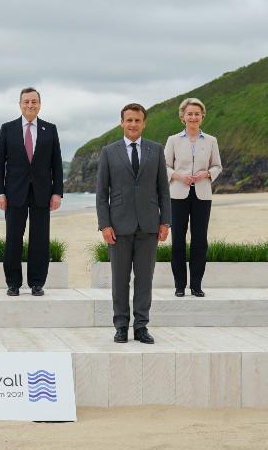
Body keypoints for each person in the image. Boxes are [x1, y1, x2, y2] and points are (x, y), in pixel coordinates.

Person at [95, 103, 171, 344]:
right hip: (118, 225)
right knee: (119, 279)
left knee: (145, 279)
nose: (133, 124)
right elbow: (101, 193)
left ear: (144, 123)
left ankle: (141, 326)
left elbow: (163, 190)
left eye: (137, 120)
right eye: (129, 120)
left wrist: (165, 221)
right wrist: (104, 224)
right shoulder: (109, 152)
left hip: (149, 224)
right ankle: (120, 326)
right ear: (122, 123)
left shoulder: (156, 150)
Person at [0, 87, 64, 297]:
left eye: (34, 101)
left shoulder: (50, 129)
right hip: (14, 192)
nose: (30, 105)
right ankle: (13, 283)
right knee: (13, 238)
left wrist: (57, 192)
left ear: (40, 104)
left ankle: (37, 283)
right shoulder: (8, 129)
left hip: (43, 192)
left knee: (40, 239)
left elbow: (56, 163)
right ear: (20, 104)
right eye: (26, 102)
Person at [164, 98, 223, 297]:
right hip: (177, 194)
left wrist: (206, 174)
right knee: (178, 240)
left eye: (197, 113)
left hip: (202, 194)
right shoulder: (173, 140)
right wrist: (178, 176)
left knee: (200, 240)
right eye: (189, 113)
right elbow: (164, 166)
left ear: (202, 116)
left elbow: (217, 166)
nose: (193, 117)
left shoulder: (211, 140)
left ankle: (196, 285)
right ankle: (180, 286)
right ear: (183, 116)